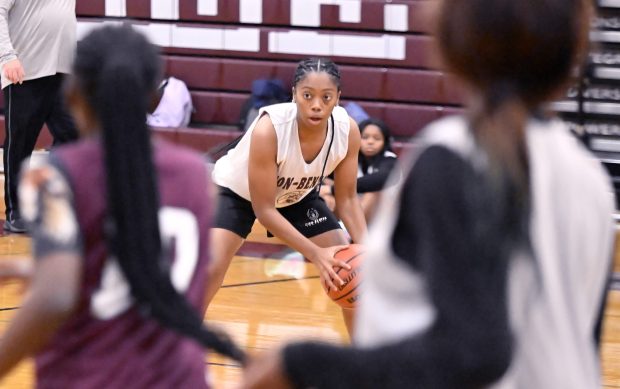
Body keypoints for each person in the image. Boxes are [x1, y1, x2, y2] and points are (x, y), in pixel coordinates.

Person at [240, 0, 616, 388]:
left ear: (450, 43)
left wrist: (302, 364)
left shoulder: (455, 157)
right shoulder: (589, 176)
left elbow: (474, 352)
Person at [0, 25, 245, 387]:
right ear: (153, 98)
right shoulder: (195, 176)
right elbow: (144, 260)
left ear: (73, 94)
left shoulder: (53, 176)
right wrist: (61, 267)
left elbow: (55, 298)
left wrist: (55, 277)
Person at [207, 58, 367, 334]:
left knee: (352, 272)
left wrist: (369, 252)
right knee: (210, 268)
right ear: (294, 94)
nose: (316, 105)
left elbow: (349, 200)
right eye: (308, 96)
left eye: (326, 97)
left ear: (338, 98)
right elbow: (265, 211)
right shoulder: (270, 129)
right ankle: (174, 354)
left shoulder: (348, 130)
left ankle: (363, 362)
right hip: (238, 193)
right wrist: (316, 254)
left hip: (297, 195)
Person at [0, 0, 79, 233]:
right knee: (21, 142)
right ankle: (16, 212)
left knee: (73, 135)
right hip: (26, 71)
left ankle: (50, 198)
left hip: (63, 71)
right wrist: (7, 57)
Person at [319, 118, 399, 223]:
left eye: (377, 138)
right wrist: (328, 191)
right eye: (365, 137)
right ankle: (336, 229)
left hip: (386, 217)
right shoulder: (352, 158)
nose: (370, 142)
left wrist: (332, 189)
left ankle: (352, 232)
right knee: (326, 188)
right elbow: (325, 176)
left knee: (372, 191)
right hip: (356, 209)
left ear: (385, 142)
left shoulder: (390, 159)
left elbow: (380, 180)